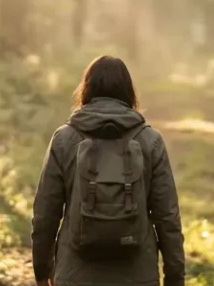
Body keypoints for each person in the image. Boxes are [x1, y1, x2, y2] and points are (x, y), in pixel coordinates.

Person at [31, 55, 185, 286]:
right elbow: (167, 217)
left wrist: (42, 270)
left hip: (76, 275)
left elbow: (46, 212)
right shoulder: (150, 140)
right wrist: (175, 277)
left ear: (86, 89)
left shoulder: (64, 139)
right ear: (128, 92)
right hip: (137, 275)